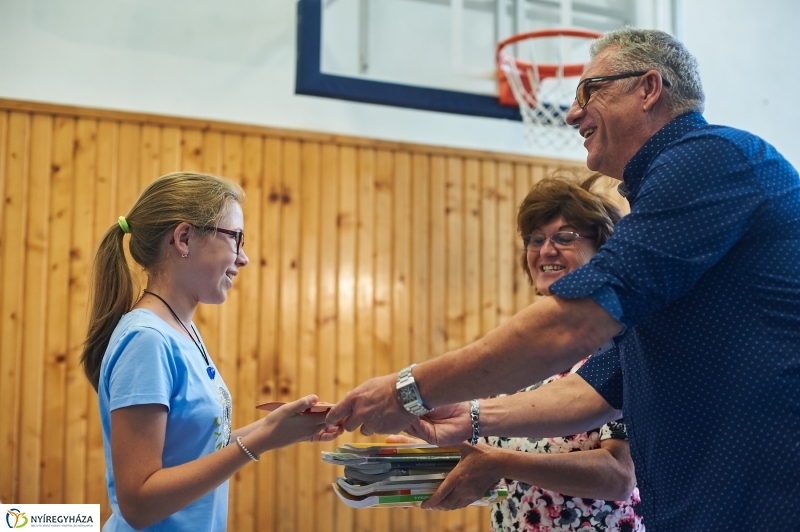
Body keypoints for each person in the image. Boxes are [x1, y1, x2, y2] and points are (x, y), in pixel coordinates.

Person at [327, 28, 800, 531]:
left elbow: (568, 329)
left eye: (588, 91)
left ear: (648, 88)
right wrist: (470, 416)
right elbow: (590, 392)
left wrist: (407, 389)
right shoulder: (668, 214)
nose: (573, 113)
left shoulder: (711, 156)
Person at [80, 171, 340, 531]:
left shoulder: (182, 331)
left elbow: (195, 451)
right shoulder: (146, 340)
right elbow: (138, 502)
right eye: (235, 238)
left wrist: (275, 428)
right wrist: (261, 441)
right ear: (184, 238)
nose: (243, 258)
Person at [394, 174, 644, 531]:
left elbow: (620, 476)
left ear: (603, 250)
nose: (545, 250)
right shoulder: (524, 359)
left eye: (564, 237)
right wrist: (419, 449)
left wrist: (502, 463)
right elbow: (489, 455)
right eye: (535, 239)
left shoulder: (619, 343)